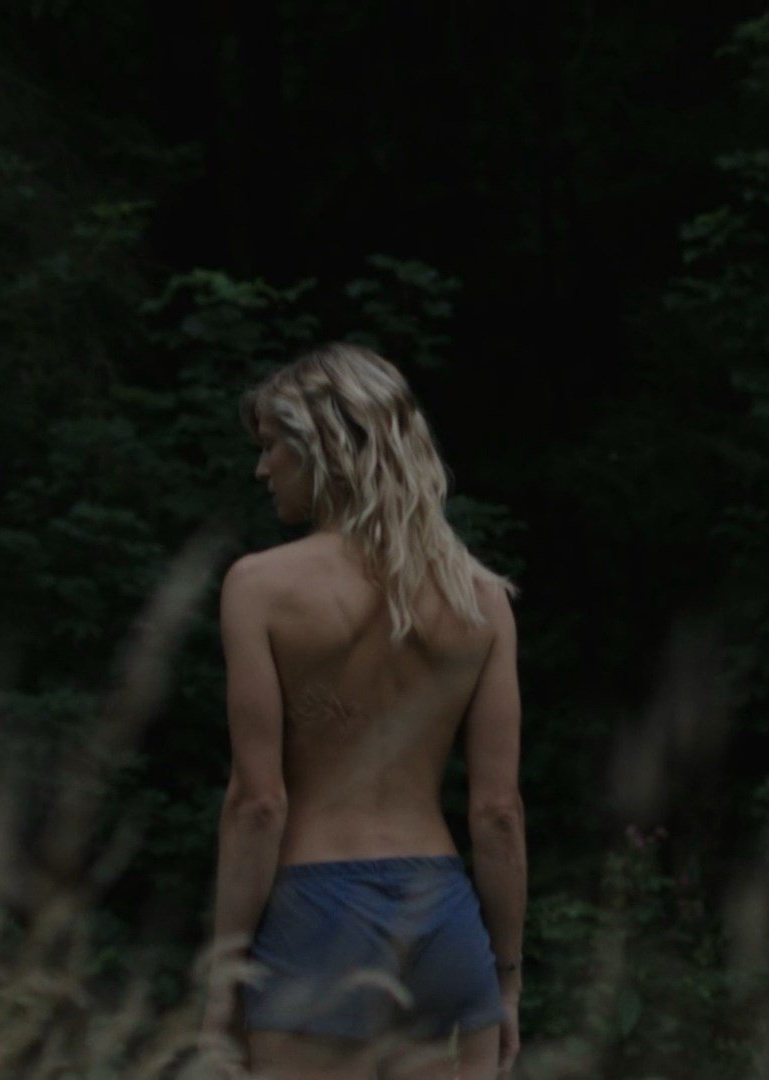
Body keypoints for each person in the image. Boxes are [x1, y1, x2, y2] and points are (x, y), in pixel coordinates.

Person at [200, 342, 526, 1079]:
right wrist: (505, 978)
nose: (262, 469)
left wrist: (223, 986)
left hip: (319, 916)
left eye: (272, 446)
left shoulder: (260, 587)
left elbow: (257, 803)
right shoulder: (483, 598)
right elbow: (498, 811)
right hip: (444, 923)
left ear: (324, 447)